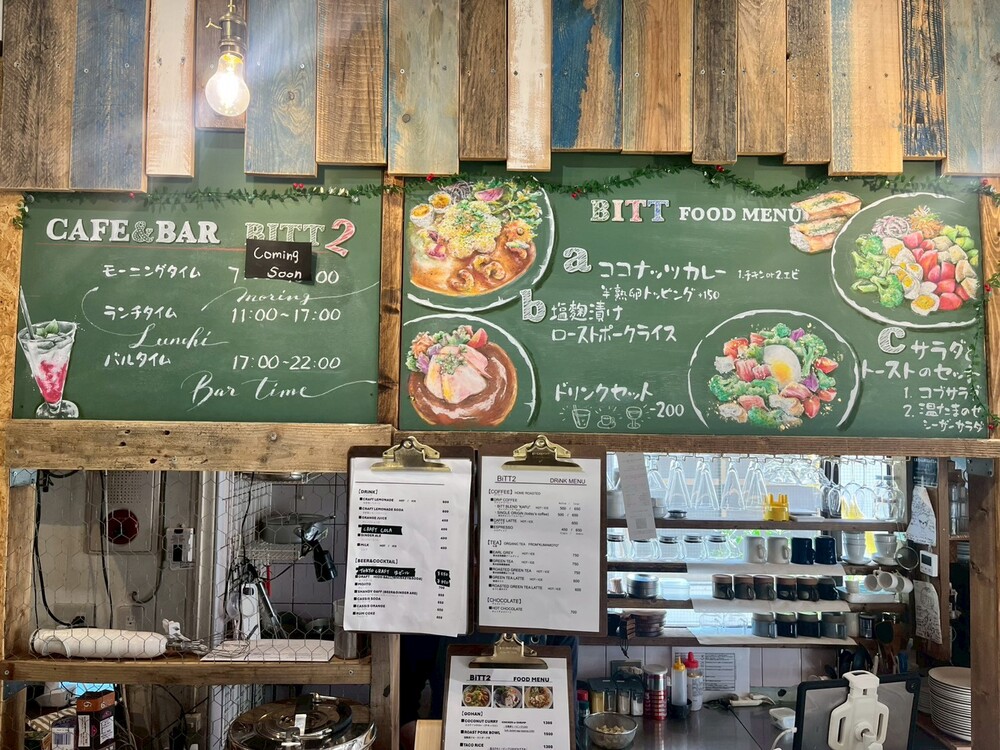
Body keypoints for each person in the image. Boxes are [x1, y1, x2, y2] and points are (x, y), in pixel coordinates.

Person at [399, 632, 579, 750]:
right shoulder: (443, 607)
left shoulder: (558, 620)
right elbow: (402, 703)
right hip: (453, 740)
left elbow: (566, 720)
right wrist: (420, 739)